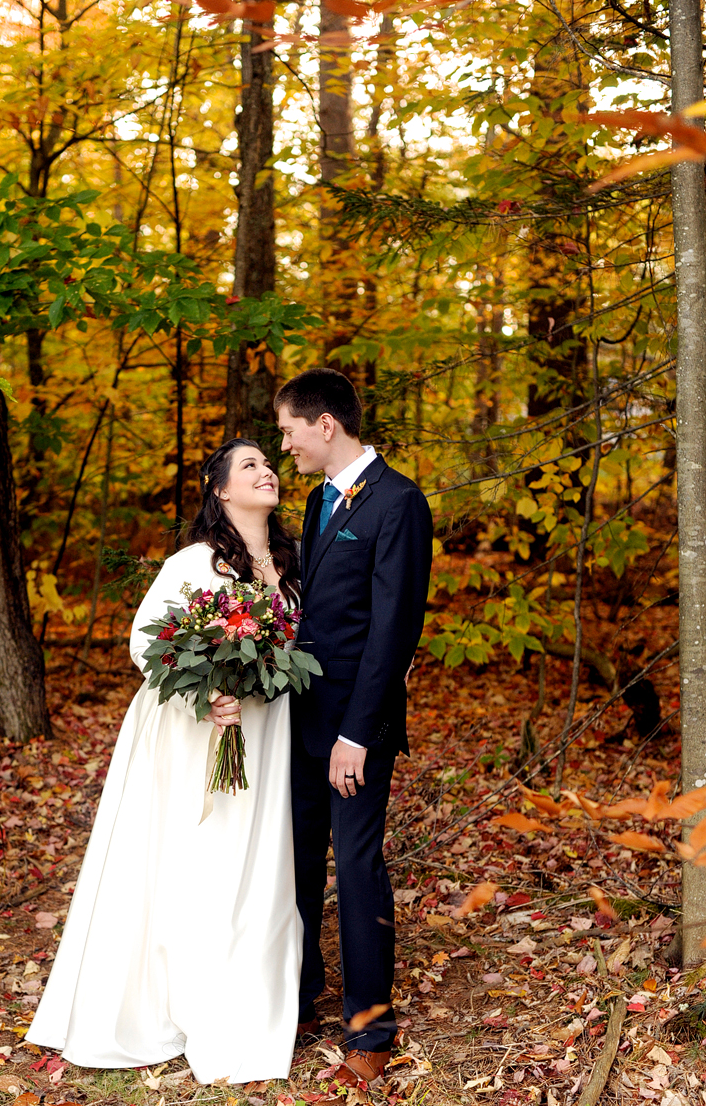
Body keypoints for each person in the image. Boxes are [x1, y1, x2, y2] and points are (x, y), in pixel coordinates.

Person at [26, 439, 303, 1085]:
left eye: (270, 463)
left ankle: (246, 1005)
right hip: (193, 732)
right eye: (251, 466)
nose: (267, 472)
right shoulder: (195, 561)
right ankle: (176, 1000)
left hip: (265, 733)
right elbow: (148, 640)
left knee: (256, 866)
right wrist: (207, 695)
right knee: (198, 860)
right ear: (221, 489)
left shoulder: (288, 566)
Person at [275, 369, 433, 1086]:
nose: (287, 446)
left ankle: (372, 1033)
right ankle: (301, 998)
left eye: (290, 430)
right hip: (302, 719)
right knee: (300, 865)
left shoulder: (400, 502)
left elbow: (393, 632)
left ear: (326, 424)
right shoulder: (317, 500)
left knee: (358, 869)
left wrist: (358, 735)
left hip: (353, 733)